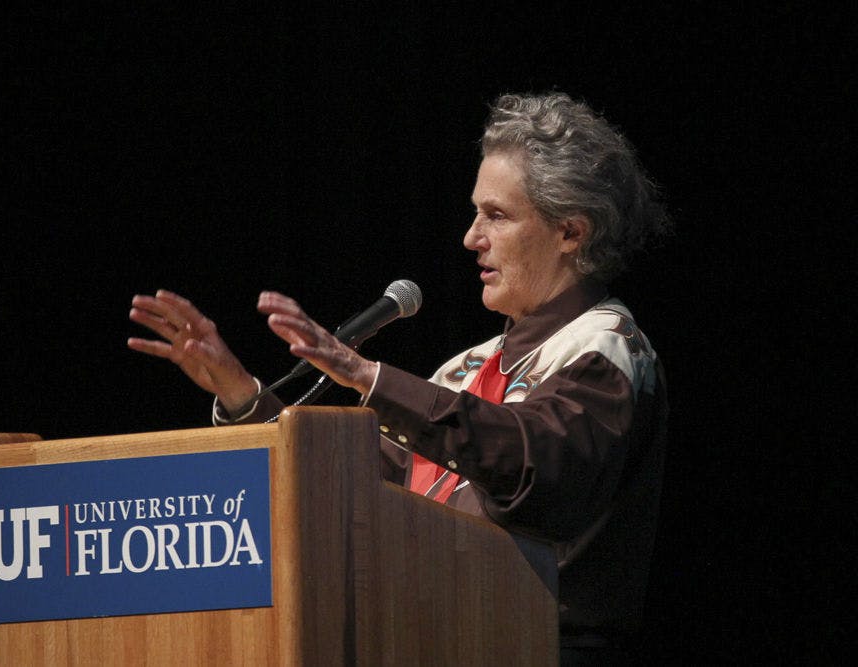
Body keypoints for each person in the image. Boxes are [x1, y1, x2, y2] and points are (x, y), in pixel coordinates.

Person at [128, 92, 670, 663]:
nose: (471, 237)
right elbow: (348, 480)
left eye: (498, 215)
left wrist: (367, 376)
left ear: (570, 233)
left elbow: (530, 466)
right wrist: (240, 393)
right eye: (475, 211)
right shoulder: (465, 370)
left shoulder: (606, 347)